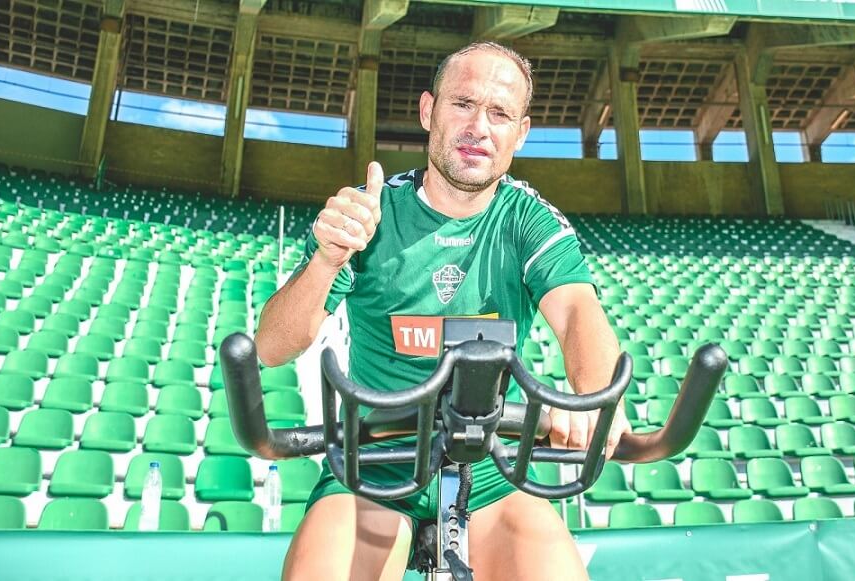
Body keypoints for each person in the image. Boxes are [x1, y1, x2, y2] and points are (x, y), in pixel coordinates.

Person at [256, 41, 631, 581]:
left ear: (519, 134)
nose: (480, 126)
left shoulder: (528, 219)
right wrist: (325, 259)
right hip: (376, 464)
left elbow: (576, 312)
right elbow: (272, 345)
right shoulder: (373, 213)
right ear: (429, 111)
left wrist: (595, 397)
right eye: (463, 104)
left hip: (491, 470)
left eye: (499, 113)